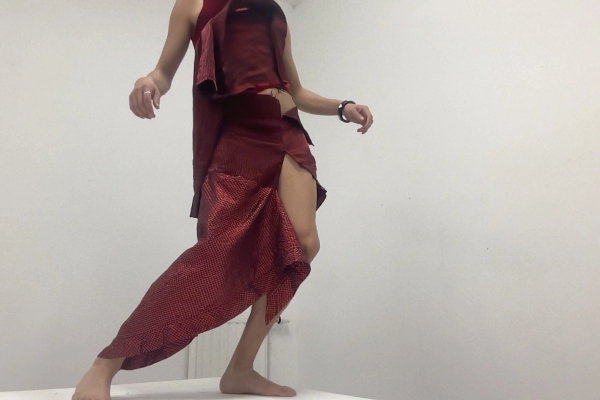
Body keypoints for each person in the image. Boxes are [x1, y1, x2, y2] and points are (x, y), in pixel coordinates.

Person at [72, 0, 373, 399]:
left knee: (304, 245)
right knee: (217, 252)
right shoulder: (194, 5)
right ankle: (106, 364)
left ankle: (240, 369)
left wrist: (343, 107)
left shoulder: (274, 10)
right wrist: (148, 81)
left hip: (286, 129)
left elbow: (296, 91)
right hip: (237, 129)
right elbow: (163, 73)